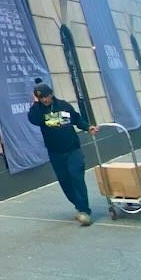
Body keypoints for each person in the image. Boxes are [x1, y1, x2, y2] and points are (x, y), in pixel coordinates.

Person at [28, 83, 98, 225]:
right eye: (41, 98)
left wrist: (87, 127)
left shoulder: (63, 105)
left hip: (72, 150)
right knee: (64, 181)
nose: (44, 100)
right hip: (55, 152)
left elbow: (77, 119)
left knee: (76, 177)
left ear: (51, 94)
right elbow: (33, 120)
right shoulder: (39, 111)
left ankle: (84, 210)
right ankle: (78, 205)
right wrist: (35, 104)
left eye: (46, 97)